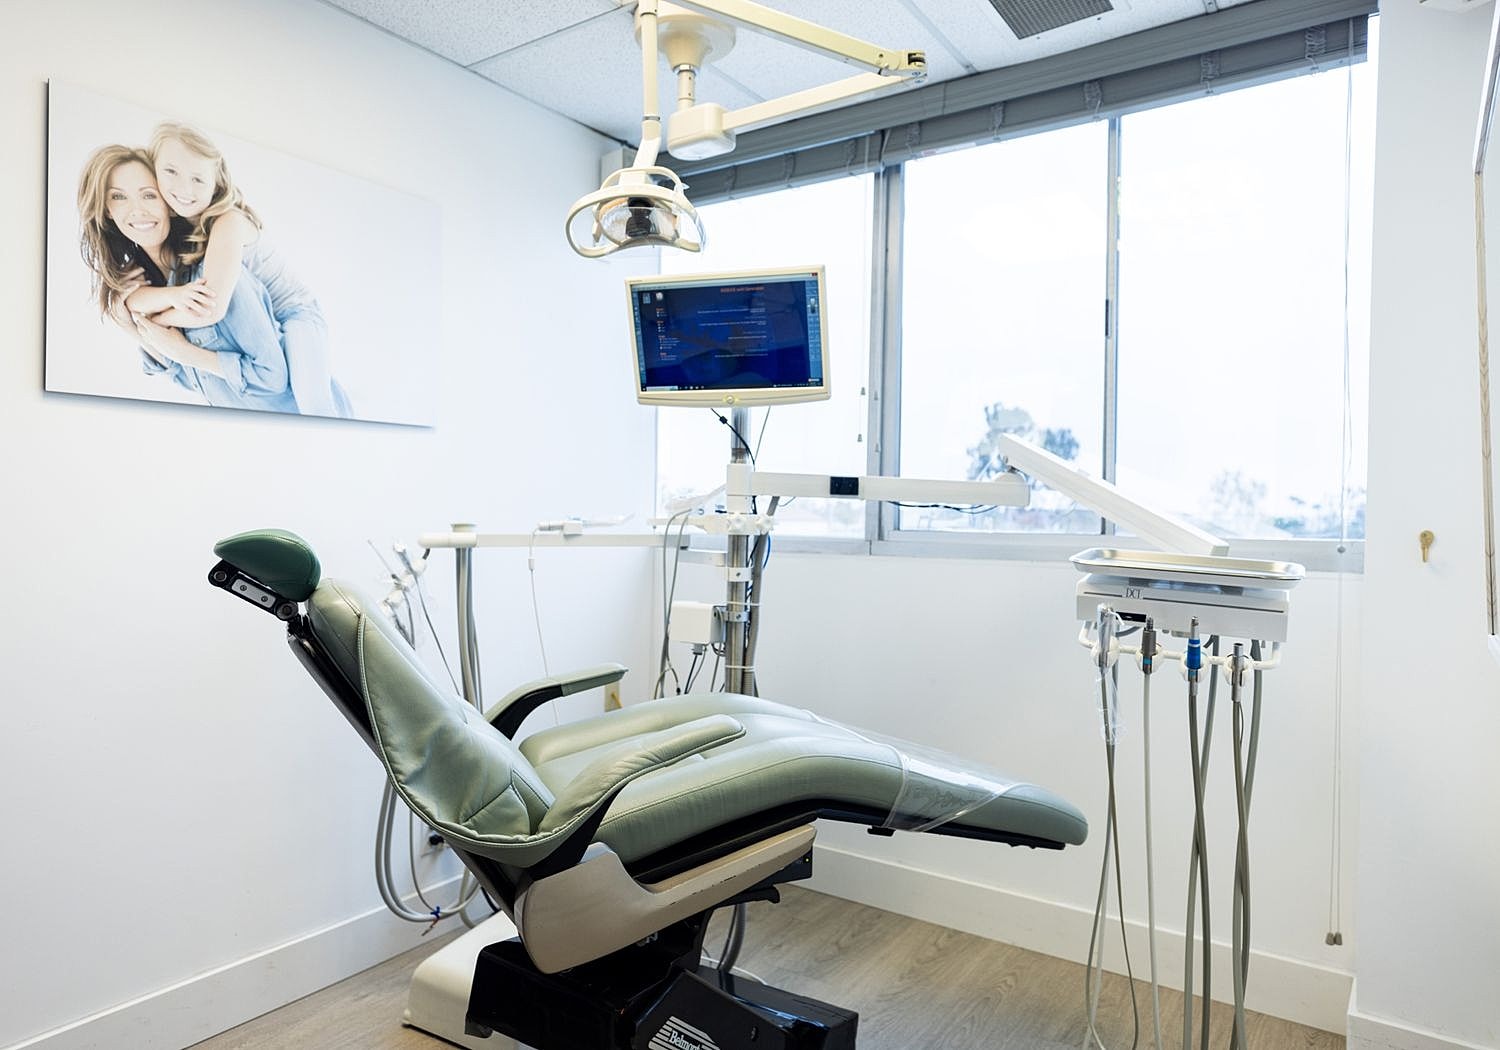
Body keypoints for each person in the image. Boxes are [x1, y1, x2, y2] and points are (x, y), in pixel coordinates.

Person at [146, 122, 352, 418]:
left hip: (295, 314)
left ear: (216, 184)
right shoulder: (179, 233)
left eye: (198, 179)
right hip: (260, 319)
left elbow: (211, 309)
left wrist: (158, 322)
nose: (183, 189)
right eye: (170, 172)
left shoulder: (228, 221)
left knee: (313, 405)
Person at [76, 144, 297, 414]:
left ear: (169, 203)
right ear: (107, 210)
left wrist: (184, 352)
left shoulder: (213, 274)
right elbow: (189, 378)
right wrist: (130, 328)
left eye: (149, 195)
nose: (137, 210)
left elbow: (272, 378)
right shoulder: (151, 287)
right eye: (119, 197)